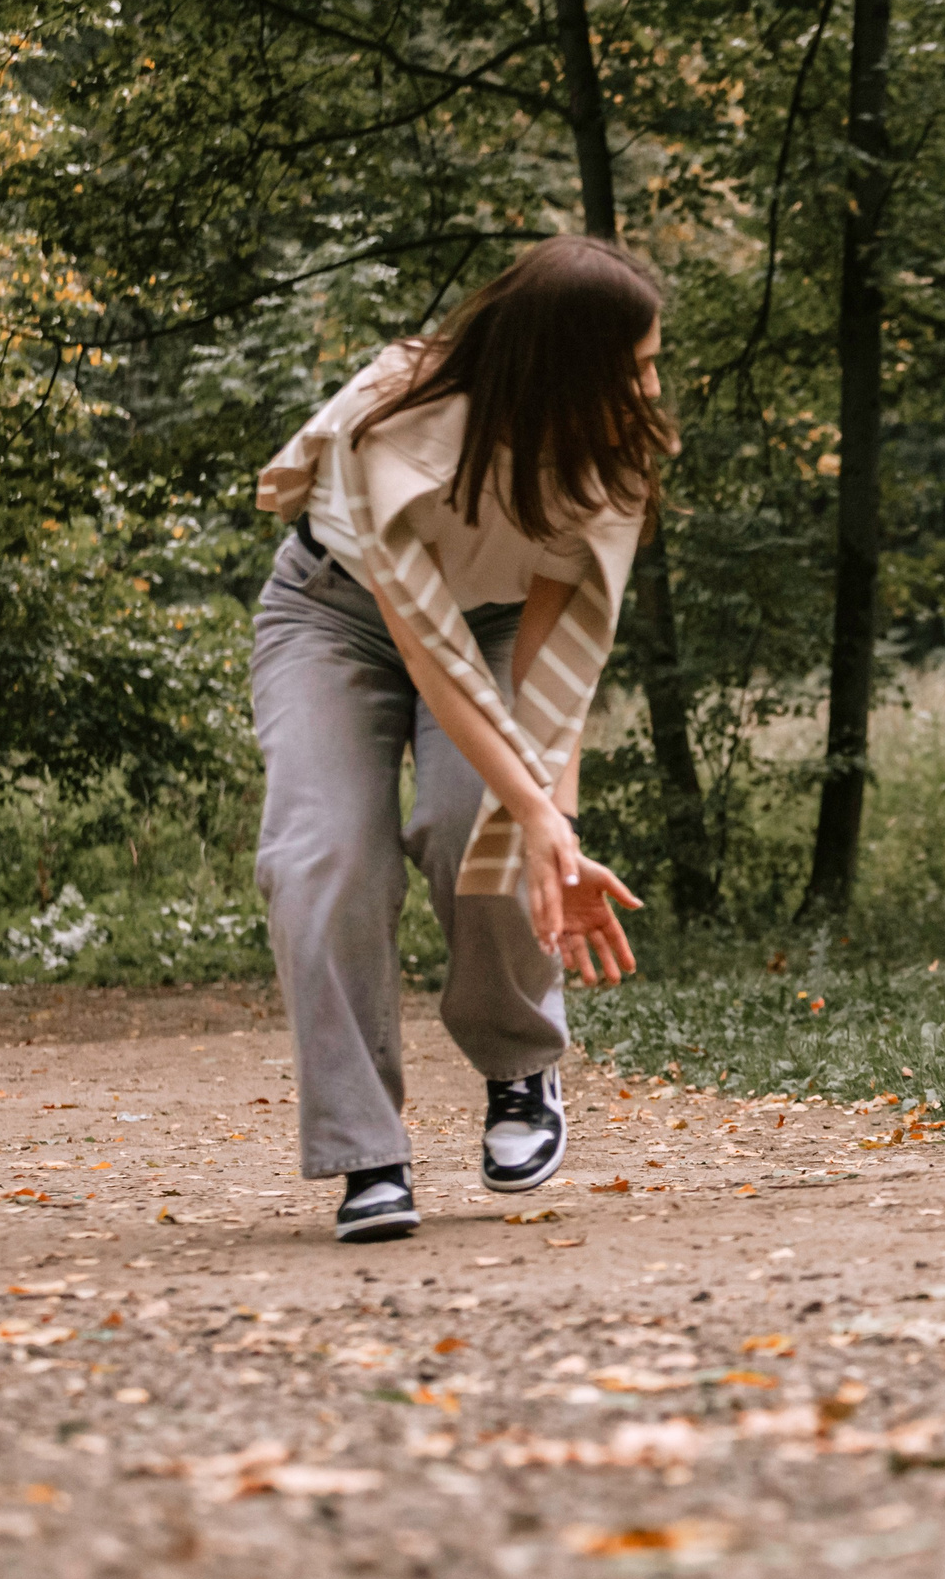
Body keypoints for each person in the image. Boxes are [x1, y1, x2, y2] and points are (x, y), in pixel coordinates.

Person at [250, 235, 662, 1244]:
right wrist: (531, 808)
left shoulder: (611, 461)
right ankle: (366, 1150)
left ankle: (521, 1066)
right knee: (324, 854)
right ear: (564, 370)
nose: (653, 391)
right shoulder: (392, 422)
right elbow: (426, 650)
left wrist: (548, 829)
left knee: (474, 820)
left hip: (493, 621)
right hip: (334, 613)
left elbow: (555, 666)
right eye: (637, 368)